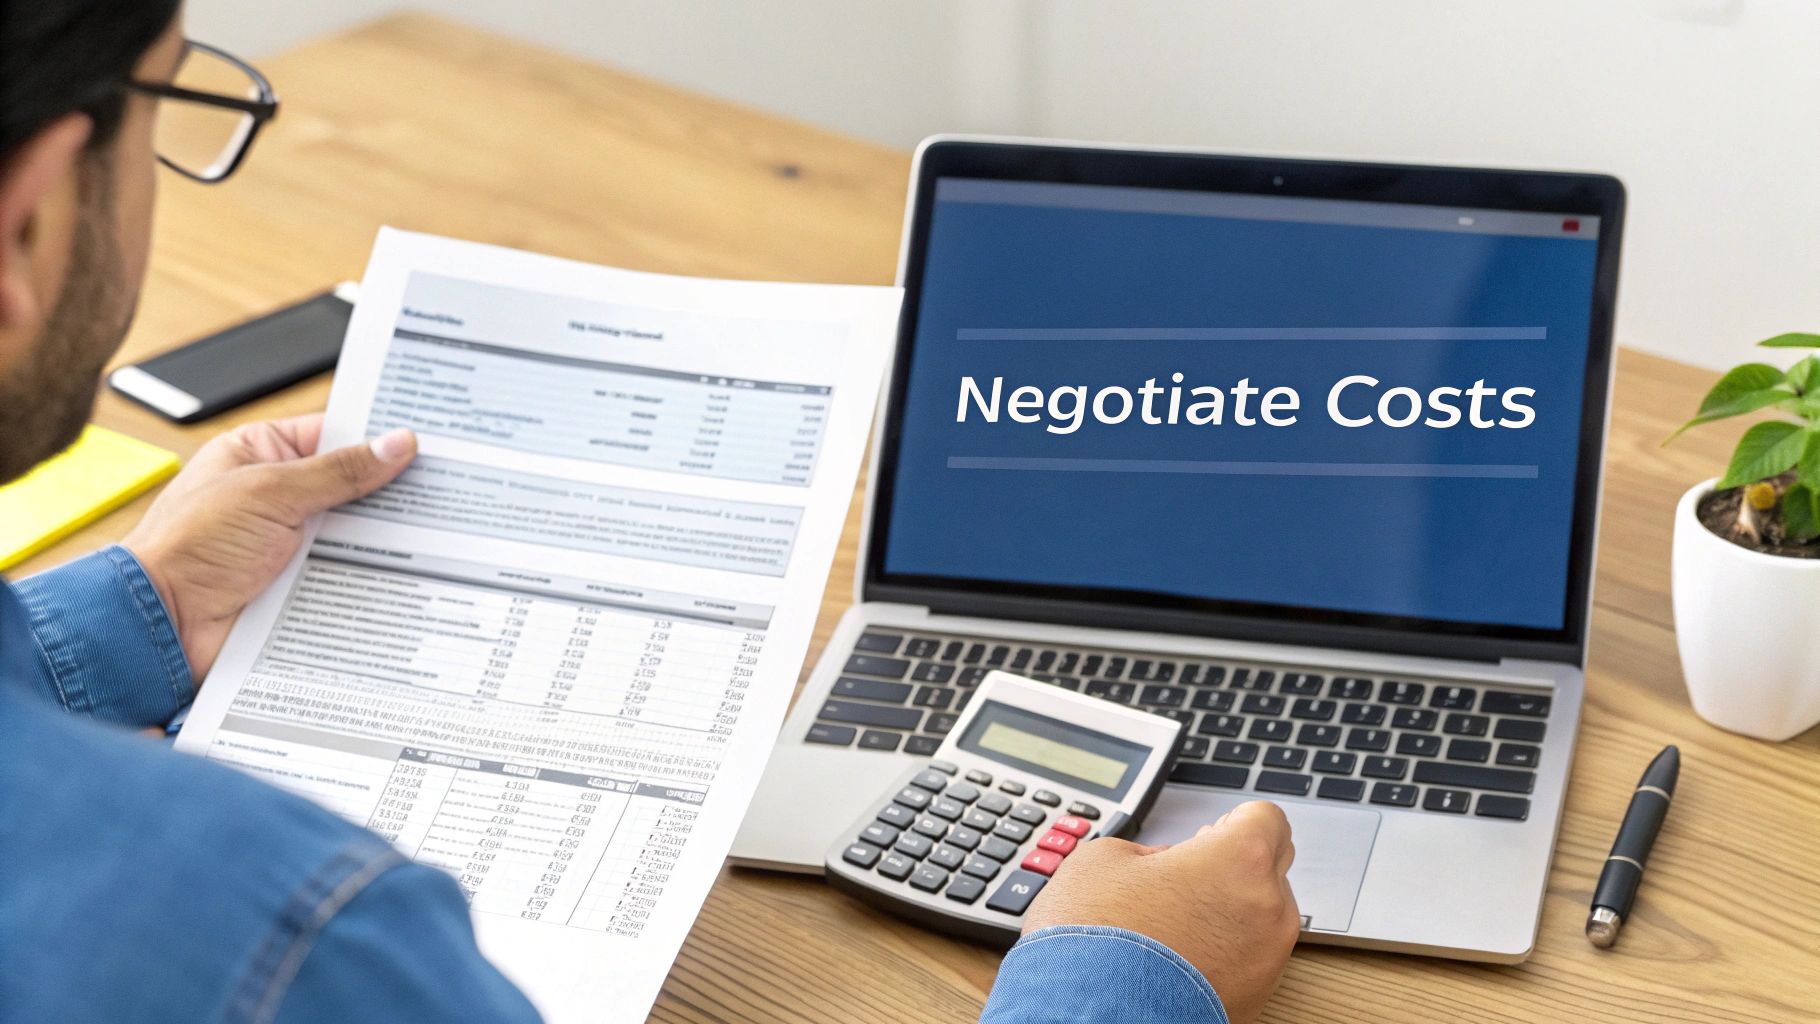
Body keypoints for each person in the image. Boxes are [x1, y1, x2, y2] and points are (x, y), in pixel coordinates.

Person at [0, 3, 1300, 1022]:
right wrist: (1122, 975)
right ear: (31, 214)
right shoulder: (294, 931)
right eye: (168, 109)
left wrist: (132, 614)